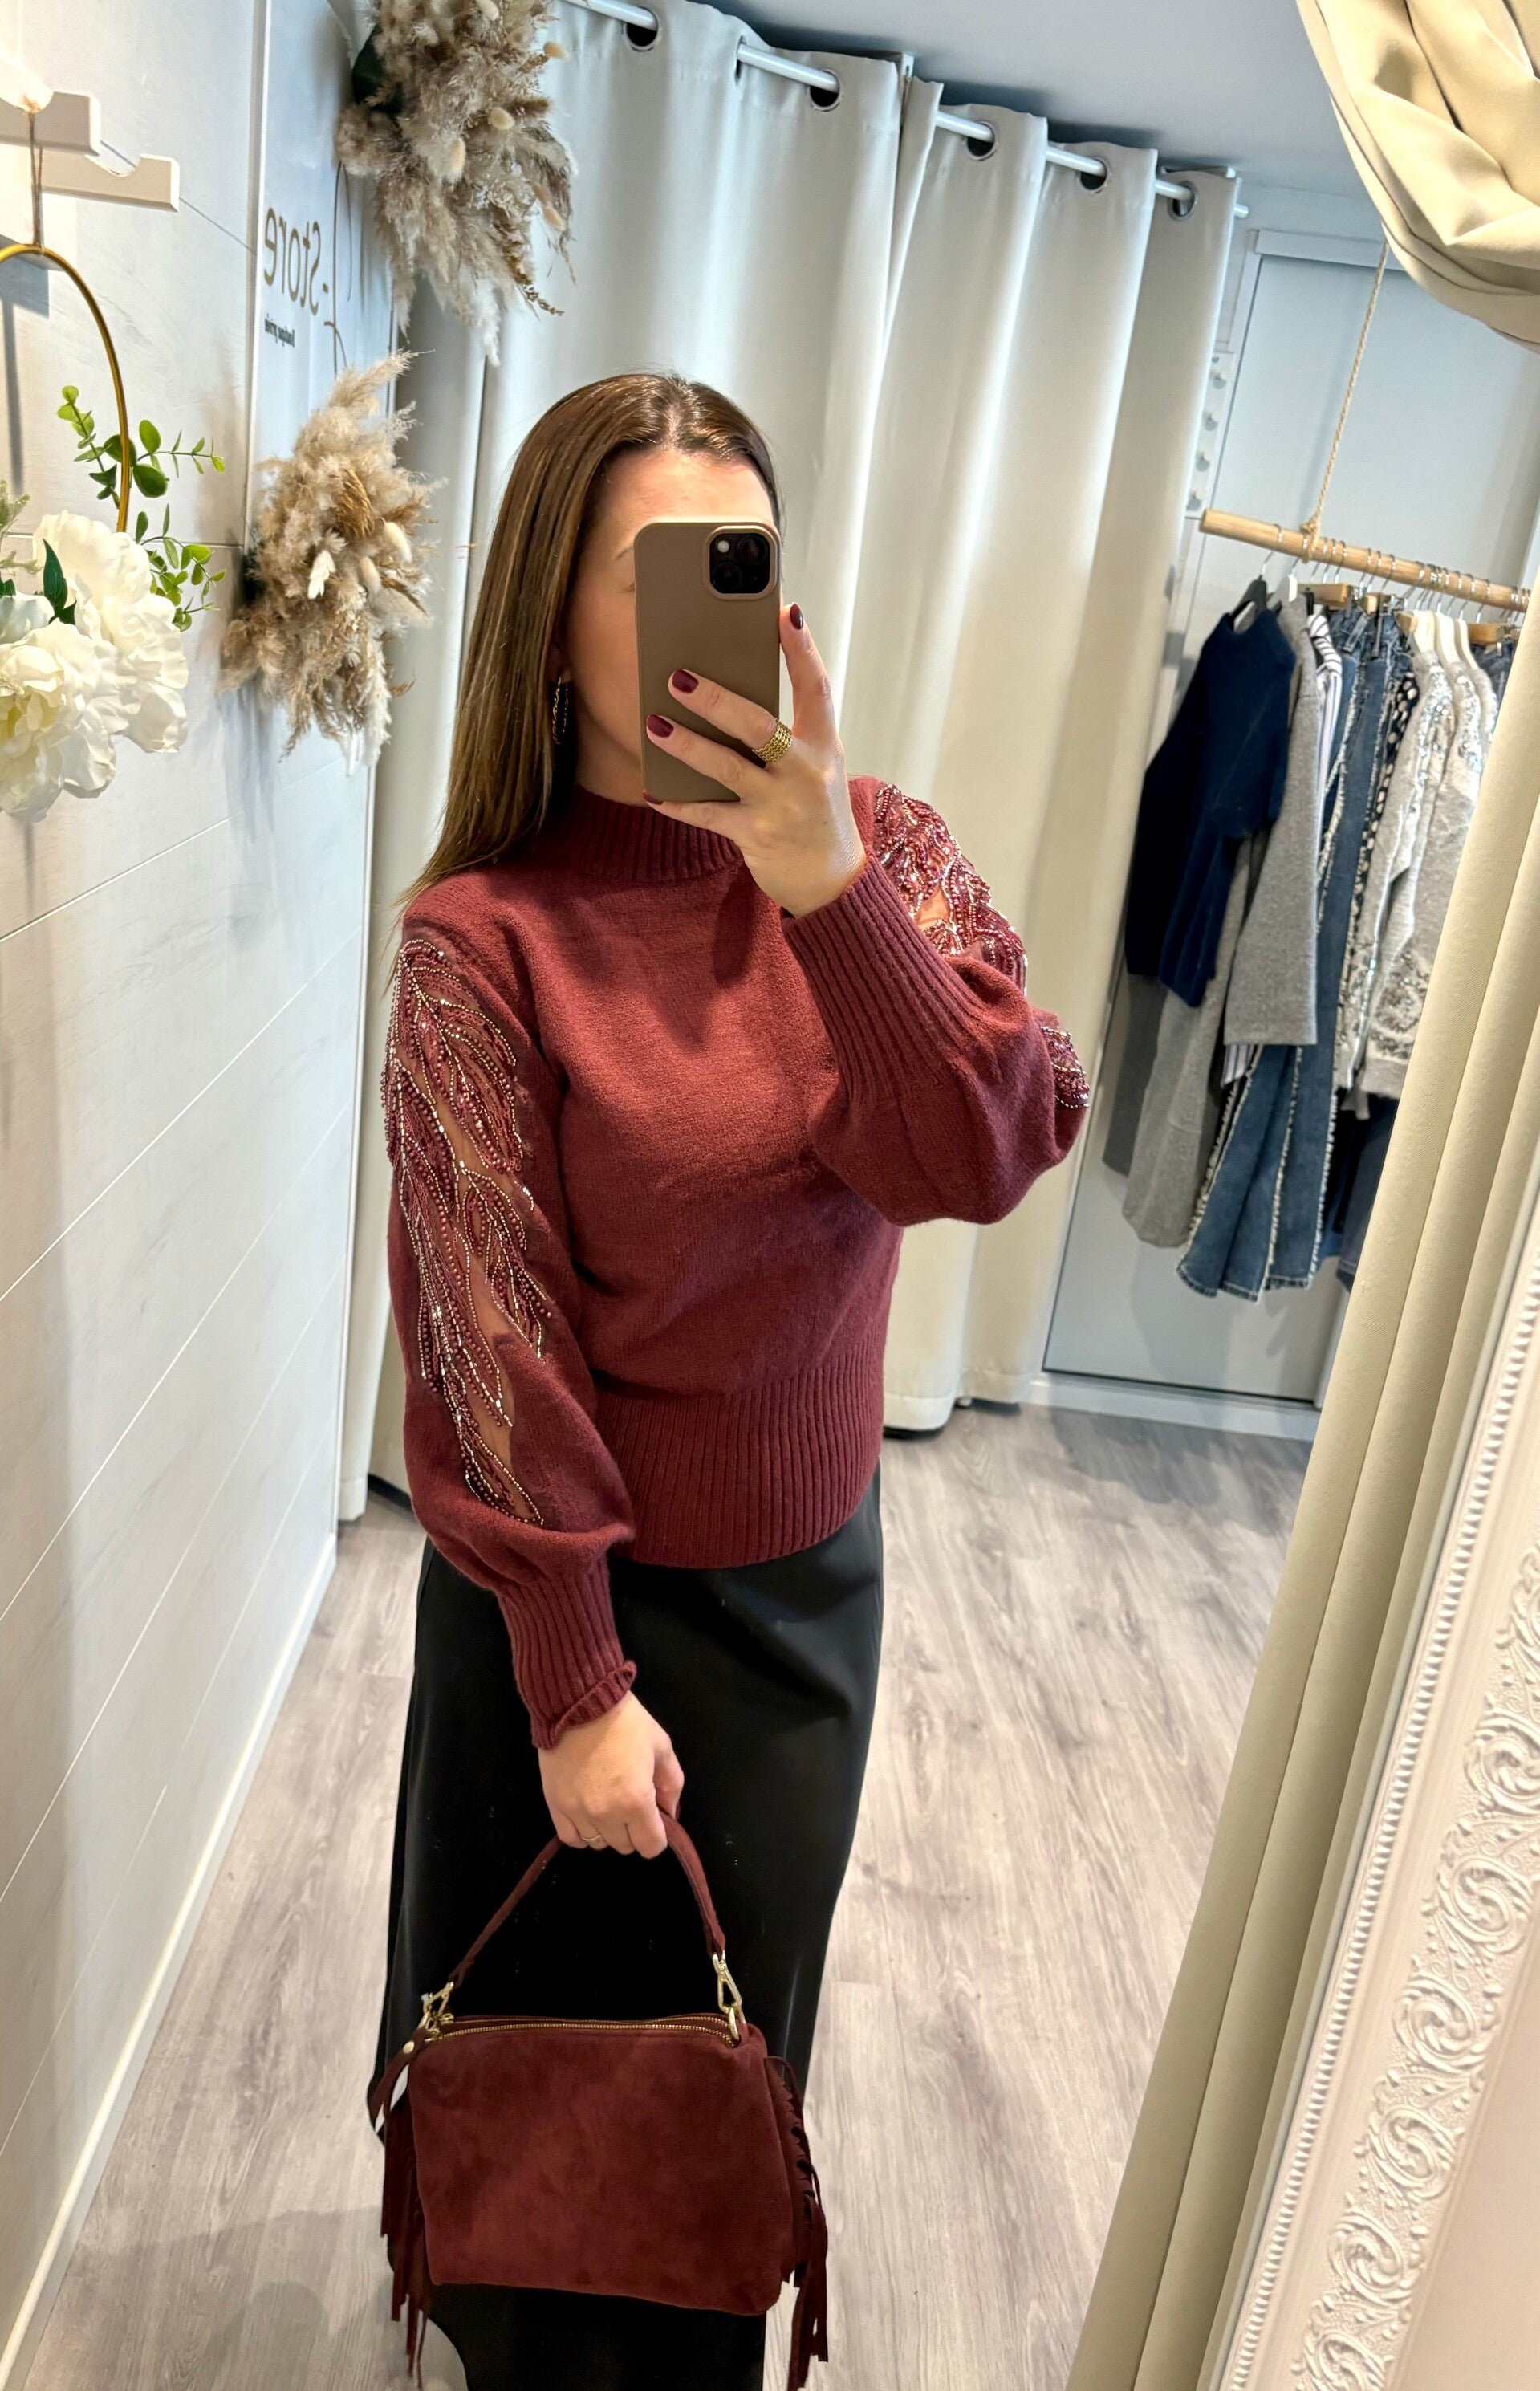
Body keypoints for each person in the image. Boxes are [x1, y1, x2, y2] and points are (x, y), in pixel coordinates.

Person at [372, 370, 1088, 2390]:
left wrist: (827, 893)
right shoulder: (482, 938)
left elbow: (990, 1141)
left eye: (741, 561)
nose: (719, 614)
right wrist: (575, 1679)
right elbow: (490, 1336)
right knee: (535, 2059)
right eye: (655, 570)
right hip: (562, 1610)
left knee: (722, 2055)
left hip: (800, 1600)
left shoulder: (884, 856)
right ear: (551, 619)